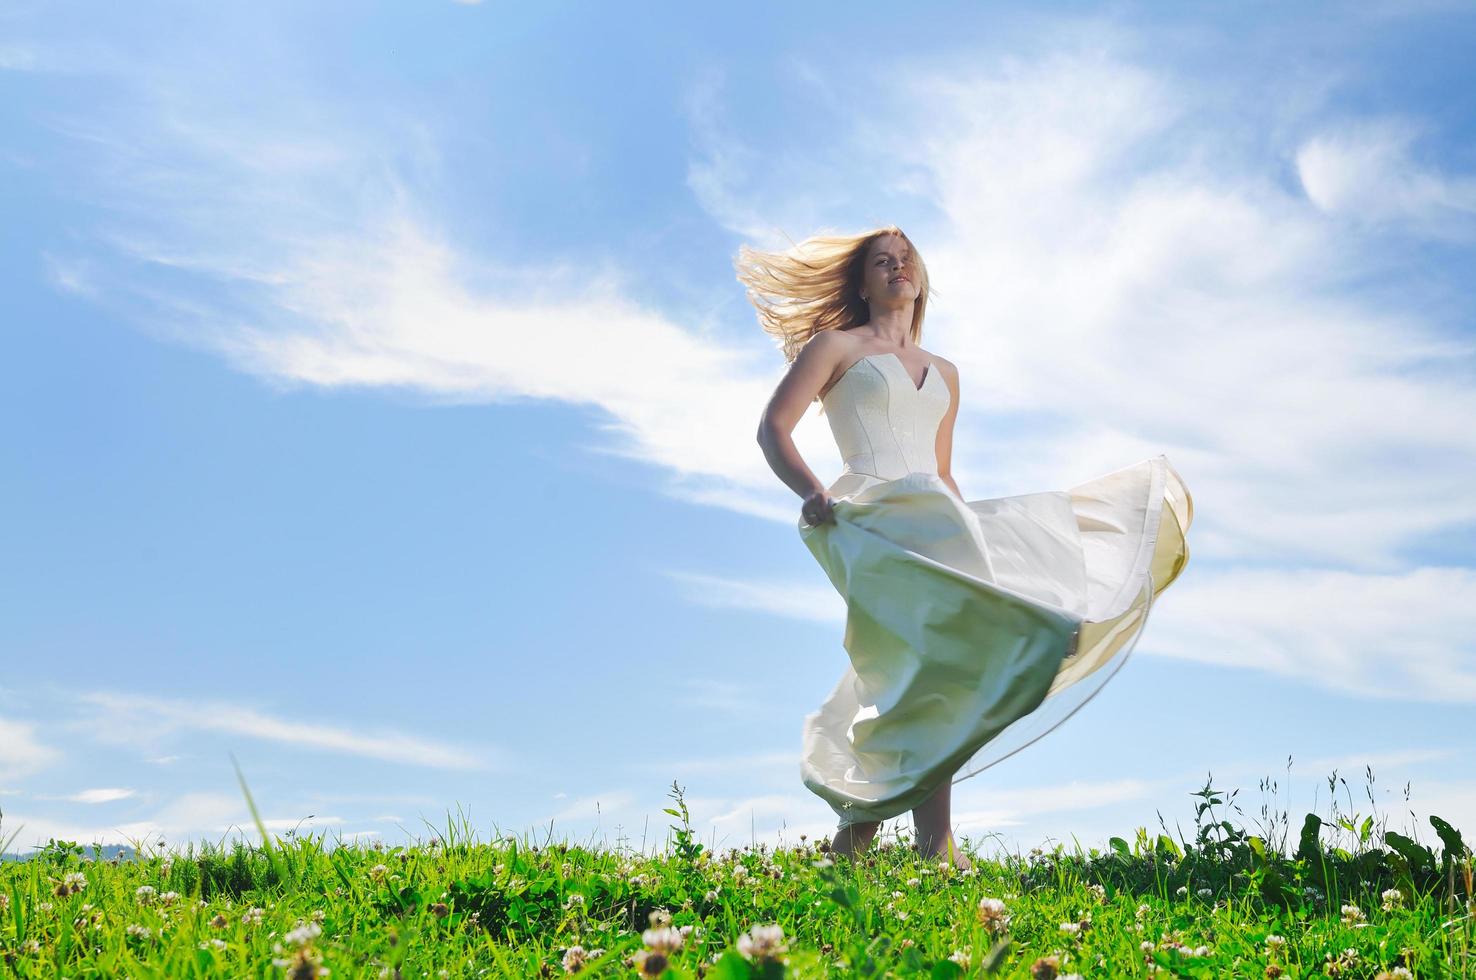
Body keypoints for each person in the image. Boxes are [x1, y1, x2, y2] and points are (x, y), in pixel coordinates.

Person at [740, 225, 1193, 870]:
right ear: (863, 282)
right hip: (867, 519)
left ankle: (885, 846)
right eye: (882, 262)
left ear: (920, 280)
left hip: (936, 518)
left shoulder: (946, 373)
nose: (897, 268)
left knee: (944, 671)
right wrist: (811, 491)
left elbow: (943, 473)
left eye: (906, 261)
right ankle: (903, 844)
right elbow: (772, 428)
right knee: (927, 669)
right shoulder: (835, 346)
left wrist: (987, 544)